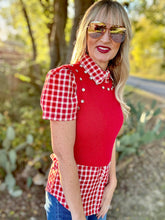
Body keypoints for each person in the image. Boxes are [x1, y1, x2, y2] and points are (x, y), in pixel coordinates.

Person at [40, 0, 132, 219]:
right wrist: (78, 216)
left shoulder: (112, 82)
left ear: (123, 40)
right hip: (68, 204)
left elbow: (108, 138)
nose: (106, 38)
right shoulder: (65, 78)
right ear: (86, 31)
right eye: (98, 28)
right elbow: (64, 157)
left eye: (116, 31)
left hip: (98, 199)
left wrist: (112, 182)